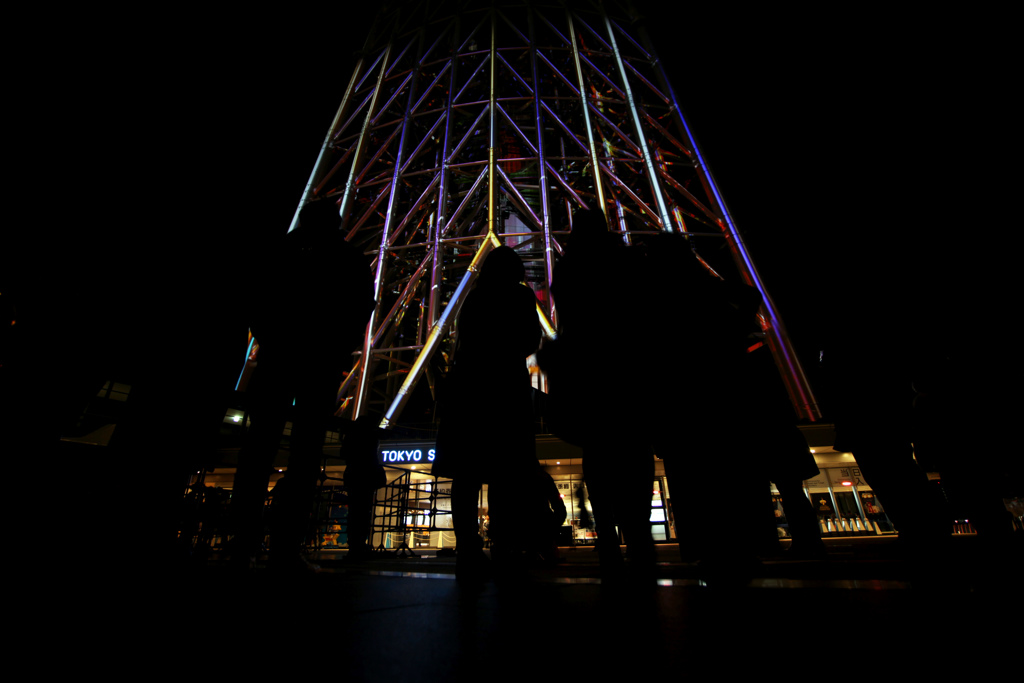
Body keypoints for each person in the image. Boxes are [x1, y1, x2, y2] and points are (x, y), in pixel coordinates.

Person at [228, 200, 375, 572]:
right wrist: (340, 346)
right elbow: (360, 307)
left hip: (281, 357)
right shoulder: (347, 258)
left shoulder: (280, 254)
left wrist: (272, 338)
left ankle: (244, 542)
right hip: (317, 361)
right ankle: (283, 545)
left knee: (260, 448)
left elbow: (255, 300)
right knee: (304, 454)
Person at [433, 246, 541, 577]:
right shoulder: (519, 298)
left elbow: (465, 341)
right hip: (505, 388)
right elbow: (529, 342)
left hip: (469, 389)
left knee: (466, 474)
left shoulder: (474, 299)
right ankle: (503, 544)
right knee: (504, 472)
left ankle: (467, 546)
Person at [340, 415, 387, 559]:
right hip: (366, 477)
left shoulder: (352, 437)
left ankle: (355, 545)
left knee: (356, 512)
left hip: (355, 477)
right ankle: (359, 544)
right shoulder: (371, 438)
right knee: (363, 512)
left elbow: (344, 453)